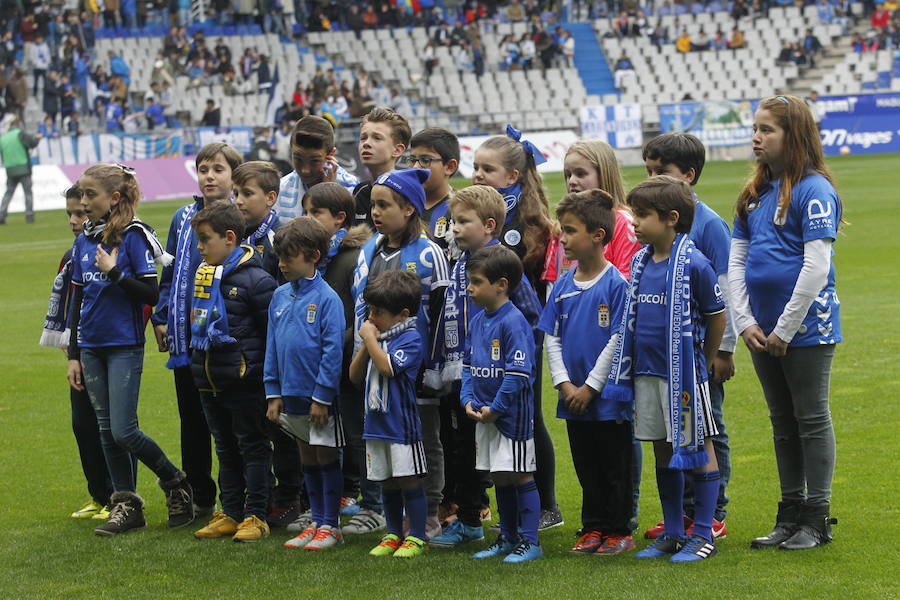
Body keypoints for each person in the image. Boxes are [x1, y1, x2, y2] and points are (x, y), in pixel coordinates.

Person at [730, 95, 842, 551]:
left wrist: (786, 328)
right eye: (755, 128)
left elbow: (816, 268)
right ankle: (789, 513)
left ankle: (816, 519)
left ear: (793, 135)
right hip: (762, 330)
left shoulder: (815, 189)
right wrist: (745, 321)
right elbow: (735, 263)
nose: (757, 137)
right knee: (781, 422)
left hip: (807, 328)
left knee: (810, 418)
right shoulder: (753, 192)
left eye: (767, 129)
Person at [66, 164, 194, 536]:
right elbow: (77, 302)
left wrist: (115, 273)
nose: (85, 202)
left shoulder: (133, 237)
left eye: (91, 195)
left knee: (123, 430)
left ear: (114, 197)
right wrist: (73, 354)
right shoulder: (83, 240)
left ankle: (175, 482)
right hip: (90, 347)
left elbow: (151, 294)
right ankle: (126, 505)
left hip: (123, 344)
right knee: (106, 432)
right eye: (83, 195)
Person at [605, 176, 725, 563]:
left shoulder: (695, 263)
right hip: (647, 373)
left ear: (671, 218)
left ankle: (703, 533)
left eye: (641, 215)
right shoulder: (641, 261)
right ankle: (673, 531)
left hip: (685, 376)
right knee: (662, 448)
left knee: (699, 444)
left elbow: (716, 314)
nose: (634, 222)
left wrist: (706, 357)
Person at [428, 185, 541, 549]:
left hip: (502, 382)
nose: (454, 229)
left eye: (463, 222)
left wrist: (513, 363)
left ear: (489, 225)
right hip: (466, 376)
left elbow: (529, 317)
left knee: (503, 464)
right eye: (453, 221)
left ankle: (495, 527)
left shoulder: (500, 264)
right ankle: (484, 525)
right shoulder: (461, 262)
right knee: (468, 452)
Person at [641, 133, 736, 541]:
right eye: (648, 172)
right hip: (663, 360)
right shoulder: (654, 238)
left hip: (698, 354)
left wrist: (723, 351)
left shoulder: (710, 225)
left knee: (708, 426)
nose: (652, 179)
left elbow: (724, 291)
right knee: (672, 431)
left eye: (660, 172)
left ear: (689, 176)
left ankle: (712, 510)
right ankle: (681, 513)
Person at [350, 168, 450, 541]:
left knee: (425, 441)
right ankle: (397, 523)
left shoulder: (429, 253)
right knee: (388, 443)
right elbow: (361, 309)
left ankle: (428, 515)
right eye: (373, 204)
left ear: (408, 208)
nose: (375, 212)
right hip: (378, 370)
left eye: (384, 204)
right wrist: (363, 353)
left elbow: (442, 315)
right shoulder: (368, 250)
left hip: (415, 371)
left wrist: (438, 368)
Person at [472, 126, 561, 531]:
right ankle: (509, 508)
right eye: (474, 167)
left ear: (513, 177)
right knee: (495, 417)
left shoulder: (530, 226)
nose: (477, 174)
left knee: (527, 418)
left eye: (486, 168)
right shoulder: (479, 216)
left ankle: (546, 506)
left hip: (525, 334)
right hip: (486, 333)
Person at [538, 188, 633, 555]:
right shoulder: (561, 286)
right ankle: (592, 527)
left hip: (606, 398)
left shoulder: (616, 285)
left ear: (598, 236)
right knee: (586, 466)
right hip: (572, 398)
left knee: (614, 466)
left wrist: (590, 387)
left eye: (571, 230)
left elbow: (617, 341)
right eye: (562, 230)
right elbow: (553, 338)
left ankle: (618, 529)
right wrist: (564, 384)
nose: (563, 238)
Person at [152, 143, 244, 521]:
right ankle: (200, 497)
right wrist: (161, 316)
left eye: (218, 169)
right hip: (186, 339)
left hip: (226, 341)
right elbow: (171, 273)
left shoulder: (241, 218)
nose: (209, 176)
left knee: (233, 424)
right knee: (192, 422)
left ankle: (239, 499)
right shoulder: (182, 217)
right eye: (203, 169)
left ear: (233, 177)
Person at [187, 202, 276, 542]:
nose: (199, 247)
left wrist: (265, 380)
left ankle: (256, 515)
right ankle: (231, 511)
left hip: (245, 381)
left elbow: (271, 337)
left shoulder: (257, 280)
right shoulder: (204, 274)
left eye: (204, 239)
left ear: (228, 238)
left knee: (252, 447)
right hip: (210, 380)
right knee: (224, 448)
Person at [266, 216, 347, 551]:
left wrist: (322, 396)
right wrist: (273, 392)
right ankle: (315, 520)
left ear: (313, 256)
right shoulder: (280, 296)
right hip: (290, 395)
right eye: (279, 257)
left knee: (326, 458)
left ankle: (331, 525)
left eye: (289, 257)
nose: (282, 264)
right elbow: (272, 345)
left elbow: (333, 352)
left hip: (318, 399)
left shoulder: (328, 299)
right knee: (307, 460)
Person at [460, 245, 541, 563]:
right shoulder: (479, 321)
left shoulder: (514, 322)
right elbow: (467, 366)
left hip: (511, 418)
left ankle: (531, 542)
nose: (470, 288)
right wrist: (467, 398)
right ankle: (507, 537)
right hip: (484, 414)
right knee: (501, 475)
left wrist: (497, 407)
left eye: (476, 281)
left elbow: (519, 372)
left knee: (520, 474)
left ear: (501, 284)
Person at [40, 185, 113, 520]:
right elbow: (69, 306)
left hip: (106, 349)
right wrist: (70, 351)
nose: (73, 220)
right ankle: (98, 495)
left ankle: (119, 495)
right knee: (82, 424)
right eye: (69, 213)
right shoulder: (73, 253)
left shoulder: (110, 249)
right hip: (79, 350)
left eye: (79, 213)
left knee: (110, 427)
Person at [301, 182, 373, 526]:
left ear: (340, 218)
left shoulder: (352, 257)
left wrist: (333, 343)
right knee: (330, 434)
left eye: (316, 212)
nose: (308, 218)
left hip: (348, 360)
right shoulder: (319, 256)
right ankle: (340, 499)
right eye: (305, 211)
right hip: (324, 362)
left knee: (359, 433)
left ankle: (373, 504)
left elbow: (356, 313)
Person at [348, 270, 429, 558]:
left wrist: (371, 339)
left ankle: (417, 536)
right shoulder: (377, 337)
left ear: (403, 314)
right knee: (386, 481)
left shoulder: (410, 338)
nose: (371, 317)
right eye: (370, 309)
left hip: (401, 426)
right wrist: (367, 344)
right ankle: (393, 533)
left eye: (378, 311)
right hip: (376, 424)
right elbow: (355, 376)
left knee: (408, 481)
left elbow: (388, 368)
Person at [563, 140, 642, 278]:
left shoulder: (623, 223)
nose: (571, 181)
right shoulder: (563, 225)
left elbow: (626, 282)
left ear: (604, 174)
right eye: (568, 175)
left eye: (580, 174)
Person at [274, 115, 358, 222]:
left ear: (331, 154)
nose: (305, 170)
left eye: (314, 161)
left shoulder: (351, 189)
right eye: (298, 159)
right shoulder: (280, 189)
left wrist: (330, 194)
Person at [353, 107, 411, 231]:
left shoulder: (409, 193)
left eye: (377, 138)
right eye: (363, 138)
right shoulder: (359, 193)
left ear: (397, 150)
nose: (366, 143)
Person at [405, 127, 460, 253]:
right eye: (412, 160)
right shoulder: (402, 204)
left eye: (425, 160)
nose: (416, 167)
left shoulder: (461, 208)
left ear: (450, 167)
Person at [0, 114, 41, 224]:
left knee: (8, 193)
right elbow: (31, 144)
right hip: (23, 168)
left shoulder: (2, 138)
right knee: (27, 193)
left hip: (10, 169)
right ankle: (29, 215)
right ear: (16, 124)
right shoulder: (20, 134)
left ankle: (1, 214)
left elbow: (3, 154)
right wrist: (37, 139)